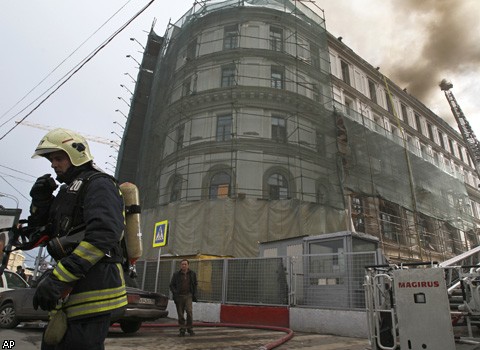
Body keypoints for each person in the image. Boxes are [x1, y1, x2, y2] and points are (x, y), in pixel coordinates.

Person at [28, 128, 127, 350]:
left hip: (93, 297)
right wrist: (40, 202)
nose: (53, 164)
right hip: (71, 296)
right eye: (51, 160)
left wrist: (59, 278)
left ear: (76, 154)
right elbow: (39, 234)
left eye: (58, 158)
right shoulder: (68, 191)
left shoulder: (99, 184)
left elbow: (104, 235)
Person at [169, 258, 198, 336]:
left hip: (188, 295)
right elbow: (171, 285)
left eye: (185, 264)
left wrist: (193, 294)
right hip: (179, 296)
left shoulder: (192, 274)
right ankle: (182, 329)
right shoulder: (176, 274)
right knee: (180, 314)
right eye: (182, 264)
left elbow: (195, 284)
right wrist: (175, 293)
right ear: (180, 265)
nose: (184, 265)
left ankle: (190, 328)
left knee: (189, 311)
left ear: (188, 265)